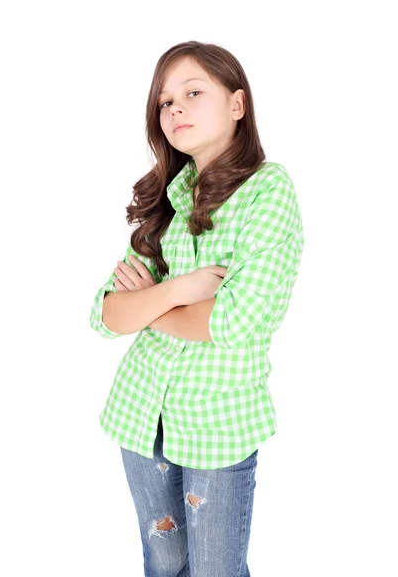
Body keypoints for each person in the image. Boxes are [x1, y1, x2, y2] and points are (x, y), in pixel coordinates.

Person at [90, 40, 304, 577]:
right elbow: (105, 315)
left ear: (237, 105)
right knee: (164, 567)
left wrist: (149, 306)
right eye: (164, 102)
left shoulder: (267, 191)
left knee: (214, 571)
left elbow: (236, 321)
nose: (175, 108)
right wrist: (178, 291)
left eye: (192, 92)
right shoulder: (168, 195)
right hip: (142, 415)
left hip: (218, 421)